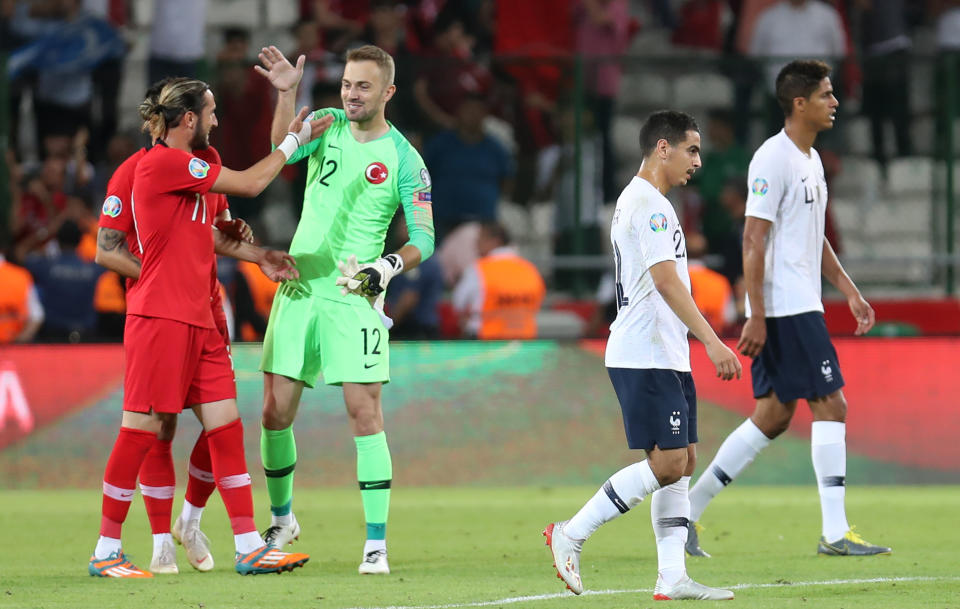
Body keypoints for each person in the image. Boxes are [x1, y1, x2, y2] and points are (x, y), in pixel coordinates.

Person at [88, 77, 332, 578]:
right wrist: (295, 141)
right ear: (190, 119)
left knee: (224, 424)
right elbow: (252, 183)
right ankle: (106, 550)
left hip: (201, 316)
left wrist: (259, 254)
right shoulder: (160, 164)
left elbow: (212, 234)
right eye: (212, 112)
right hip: (160, 317)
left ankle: (247, 545)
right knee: (143, 428)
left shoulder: (200, 168)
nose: (218, 120)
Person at [686, 60, 890, 558]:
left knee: (774, 416)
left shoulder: (812, 161)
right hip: (785, 308)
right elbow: (753, 239)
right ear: (799, 103)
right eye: (825, 95)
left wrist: (848, 289)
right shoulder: (772, 159)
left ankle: (685, 512)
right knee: (832, 405)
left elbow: (812, 234)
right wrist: (756, 312)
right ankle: (835, 534)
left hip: (801, 302)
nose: (835, 102)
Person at [543, 110, 741, 602]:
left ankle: (671, 576)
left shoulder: (646, 201)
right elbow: (666, 281)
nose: (697, 160)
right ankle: (572, 531)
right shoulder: (650, 205)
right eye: (691, 149)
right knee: (670, 460)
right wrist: (713, 341)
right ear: (662, 148)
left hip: (664, 351)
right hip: (645, 351)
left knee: (685, 459)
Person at [254, 44, 435, 575]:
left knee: (364, 414)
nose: (351, 95)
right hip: (299, 289)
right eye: (347, 84)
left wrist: (387, 267)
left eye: (363, 86)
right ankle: (283, 519)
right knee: (273, 412)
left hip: (354, 297)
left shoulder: (405, 159)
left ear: (388, 92)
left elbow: (424, 237)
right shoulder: (328, 124)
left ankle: (375, 543)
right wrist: (287, 93)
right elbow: (279, 149)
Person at [451, 221, 545, 339]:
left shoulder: (478, 269)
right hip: (524, 339)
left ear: (495, 241)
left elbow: (458, 303)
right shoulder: (529, 269)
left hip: (485, 340)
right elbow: (538, 302)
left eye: (480, 239)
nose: (476, 244)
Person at [0, 233, 44, 344]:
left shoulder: (21, 276)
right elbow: (36, 317)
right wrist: (18, 344)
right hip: (13, 348)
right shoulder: (21, 276)